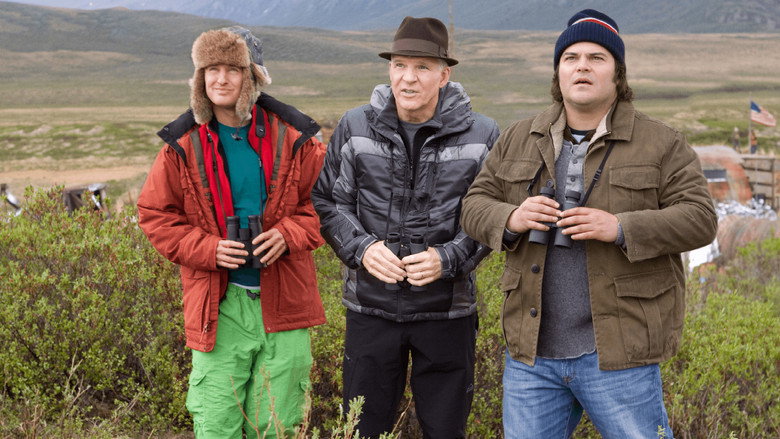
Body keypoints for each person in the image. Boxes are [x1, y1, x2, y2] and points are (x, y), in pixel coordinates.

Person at [460, 9, 717, 439]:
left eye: (597, 58)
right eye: (571, 58)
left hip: (619, 352)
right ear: (558, 72)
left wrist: (620, 227)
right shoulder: (519, 137)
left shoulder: (662, 142)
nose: (582, 66)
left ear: (618, 73)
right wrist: (512, 217)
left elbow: (700, 218)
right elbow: (473, 205)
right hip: (531, 355)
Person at [312, 16, 499, 438]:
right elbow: (329, 201)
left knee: (445, 430)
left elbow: (490, 213)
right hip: (370, 309)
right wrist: (362, 248)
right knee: (362, 429)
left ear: (444, 75)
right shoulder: (354, 126)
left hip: (447, 311)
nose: (408, 78)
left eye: (422, 67)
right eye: (399, 65)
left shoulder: (483, 134)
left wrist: (448, 258)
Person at [137, 26, 326, 438]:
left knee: (276, 425)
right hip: (219, 304)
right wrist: (207, 249)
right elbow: (155, 214)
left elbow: (327, 206)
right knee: (217, 423)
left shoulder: (296, 137)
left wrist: (288, 234)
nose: (220, 79)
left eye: (233, 69)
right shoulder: (181, 145)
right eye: (211, 69)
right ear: (199, 78)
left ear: (253, 77)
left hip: (286, 300)